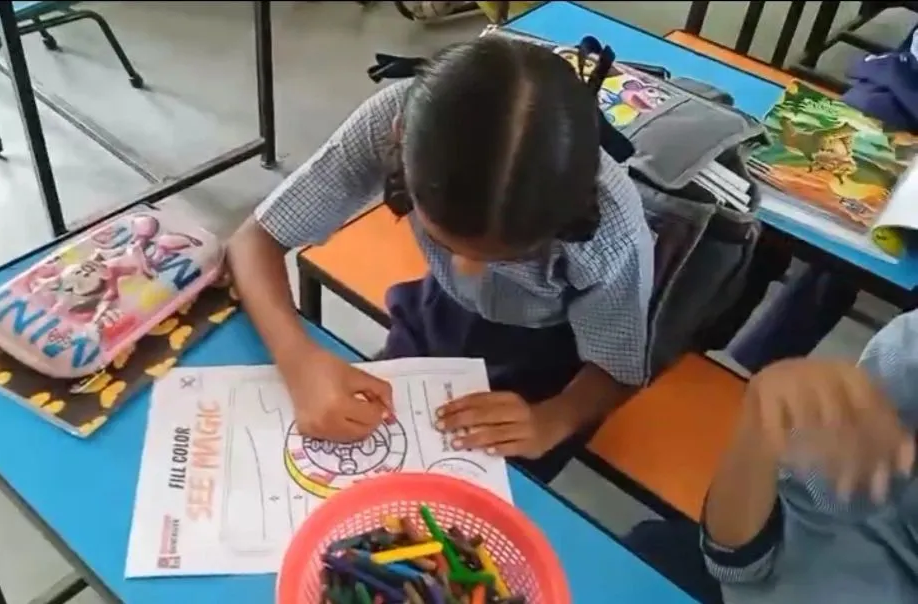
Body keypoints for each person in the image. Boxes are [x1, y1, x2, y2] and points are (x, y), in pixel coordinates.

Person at [226, 35, 654, 484]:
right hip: (437, 311)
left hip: (553, 352)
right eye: (446, 245)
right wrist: (298, 360)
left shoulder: (612, 230)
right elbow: (254, 240)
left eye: (508, 259)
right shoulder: (404, 119)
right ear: (400, 143)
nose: (467, 270)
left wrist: (554, 419)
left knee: (485, 484)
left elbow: (618, 367)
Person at [627, 308, 918, 604]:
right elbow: (737, 558)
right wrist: (759, 432)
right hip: (781, 575)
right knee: (647, 554)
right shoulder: (906, 357)